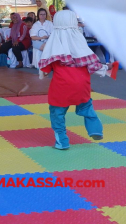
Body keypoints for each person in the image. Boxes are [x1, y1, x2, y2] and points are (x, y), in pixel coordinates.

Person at [38, 11, 113, 150]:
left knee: (57, 113)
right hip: (81, 84)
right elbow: (93, 64)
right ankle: (95, 130)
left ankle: (62, 141)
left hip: (61, 86)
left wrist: (43, 74)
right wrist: (106, 68)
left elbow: (45, 67)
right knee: (87, 107)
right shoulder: (80, 42)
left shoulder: (54, 42)